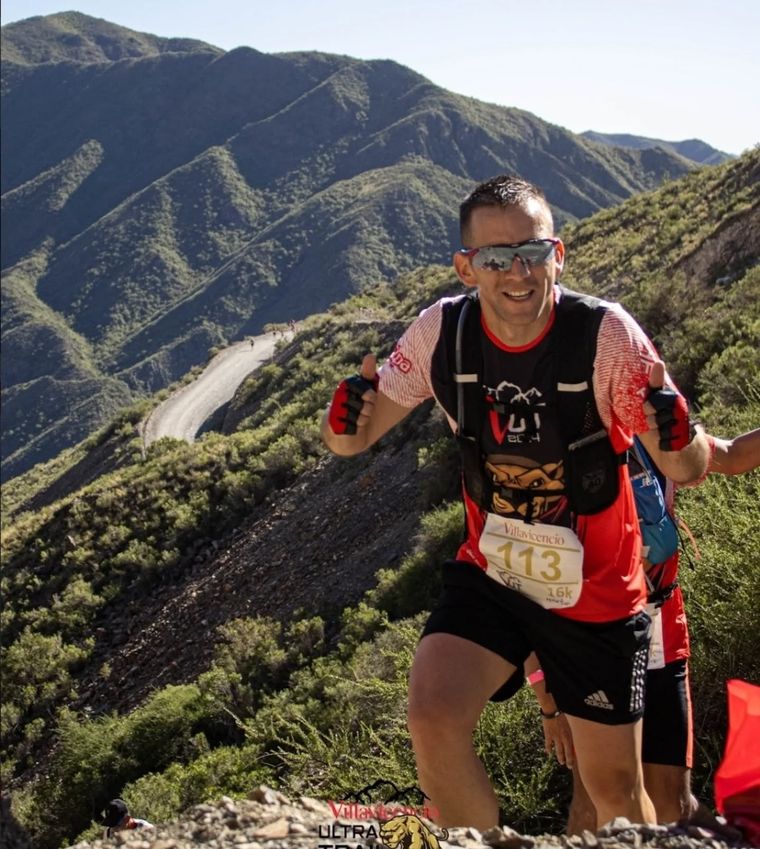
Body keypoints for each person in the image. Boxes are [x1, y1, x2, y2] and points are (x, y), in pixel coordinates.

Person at [321, 174, 710, 830]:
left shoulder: (606, 337)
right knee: (433, 715)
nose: (518, 273)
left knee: (615, 792)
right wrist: (341, 420)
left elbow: (686, 466)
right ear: (466, 267)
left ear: (558, 255)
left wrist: (680, 433)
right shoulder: (443, 334)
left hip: (597, 590)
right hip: (496, 570)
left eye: (532, 253)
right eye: (496, 258)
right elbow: (352, 439)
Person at [562, 428, 760, 833]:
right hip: (589, 641)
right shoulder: (561, 442)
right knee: (591, 806)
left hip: (661, 630)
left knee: (672, 803)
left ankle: (723, 837)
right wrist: (545, 690)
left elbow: (733, 455)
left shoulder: (654, 433)